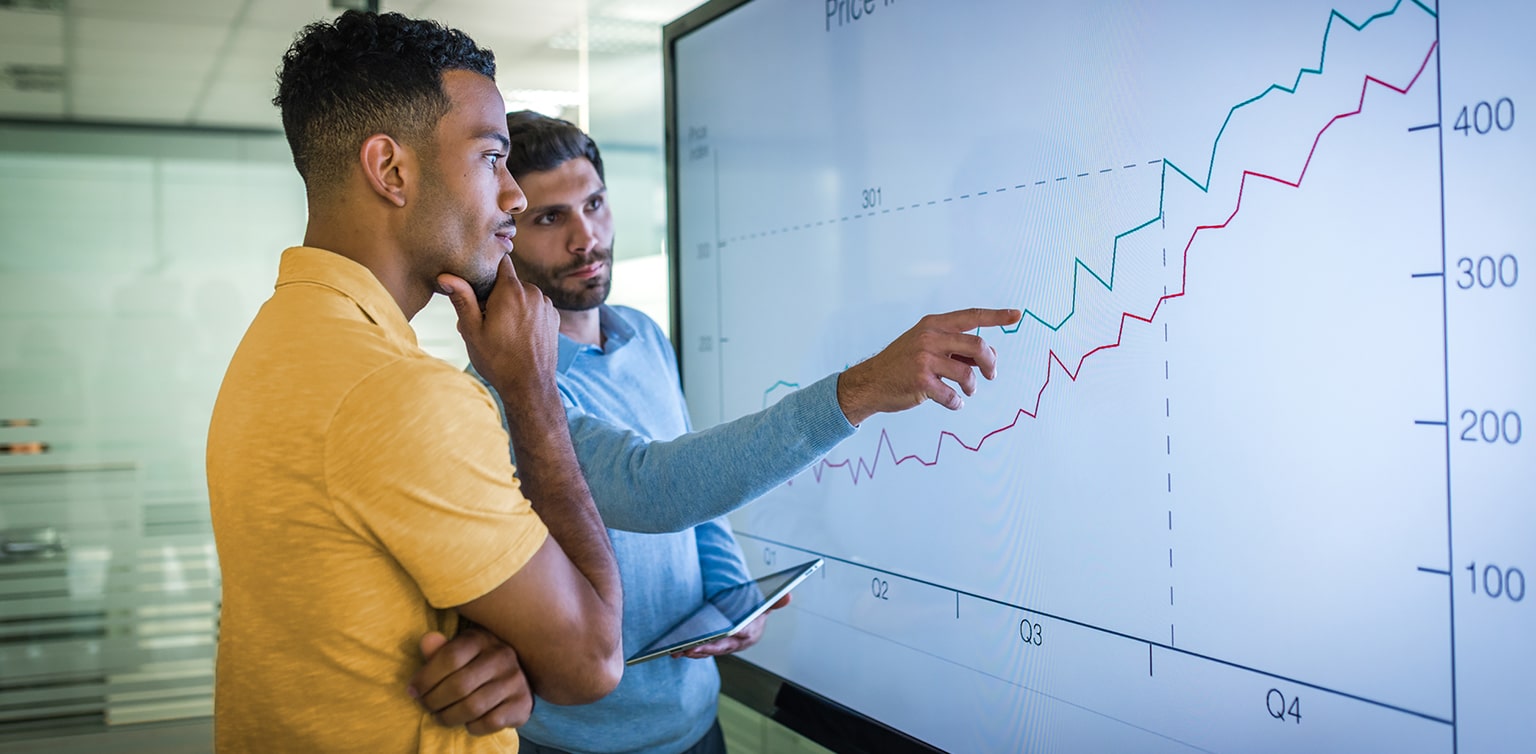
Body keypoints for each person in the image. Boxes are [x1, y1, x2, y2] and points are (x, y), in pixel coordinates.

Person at [441, 111, 1021, 754]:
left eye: (596, 204)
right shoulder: (507, 384)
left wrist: (726, 593)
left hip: (695, 718)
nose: (587, 237)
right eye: (551, 218)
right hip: (581, 740)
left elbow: (698, 507)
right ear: (507, 234)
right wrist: (860, 391)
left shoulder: (642, 335)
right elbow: (655, 487)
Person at [206, 14, 624, 753]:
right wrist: (531, 395)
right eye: (492, 158)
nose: (514, 197)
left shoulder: (278, 342)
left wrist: (506, 647)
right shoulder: (397, 394)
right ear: (390, 170)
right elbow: (592, 660)